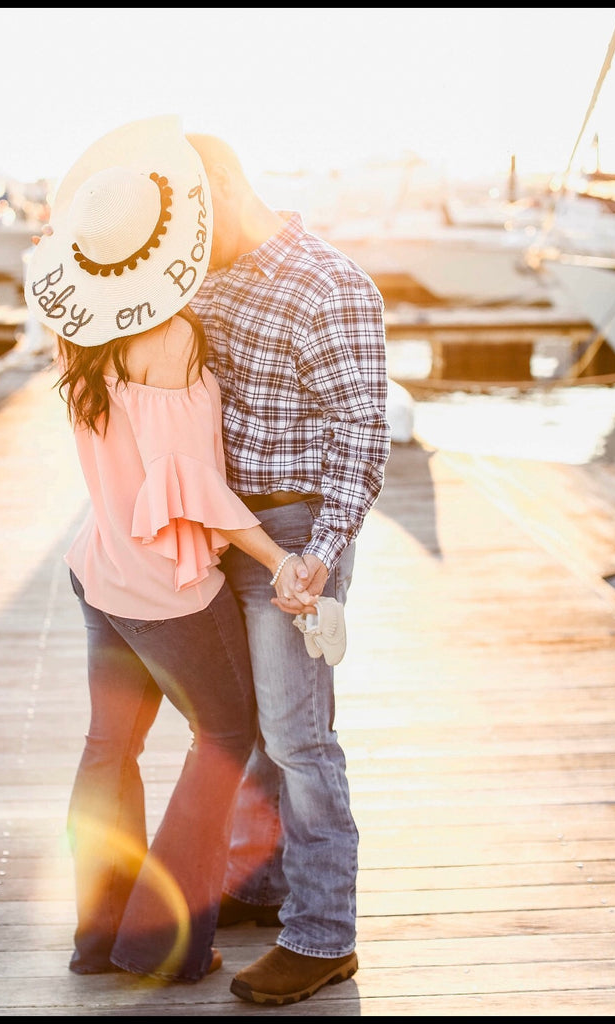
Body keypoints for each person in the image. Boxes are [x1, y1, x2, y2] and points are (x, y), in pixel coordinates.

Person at [23, 115, 313, 985]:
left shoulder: (79, 329)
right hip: (164, 585)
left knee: (106, 749)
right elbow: (194, 492)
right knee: (226, 734)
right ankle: (165, 941)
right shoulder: (174, 335)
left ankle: (99, 937)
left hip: (101, 565)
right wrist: (278, 557)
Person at [187, 131, 392, 1006]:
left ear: (227, 185)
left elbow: (361, 434)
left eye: (197, 219)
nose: (187, 245)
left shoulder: (331, 284)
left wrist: (320, 554)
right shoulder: (199, 277)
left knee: (301, 738)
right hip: (225, 531)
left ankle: (322, 936)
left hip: (298, 528)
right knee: (254, 728)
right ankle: (264, 882)